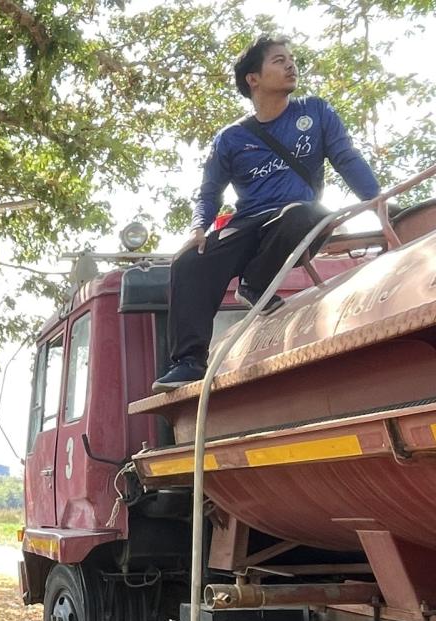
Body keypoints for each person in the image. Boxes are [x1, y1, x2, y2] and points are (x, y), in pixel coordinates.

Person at [152, 35, 381, 393]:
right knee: (188, 262)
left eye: (292, 59)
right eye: (278, 60)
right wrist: (199, 228)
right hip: (250, 224)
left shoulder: (316, 112)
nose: (291, 65)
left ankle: (256, 284)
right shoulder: (230, 138)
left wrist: (376, 201)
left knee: (306, 212)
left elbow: (346, 158)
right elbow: (209, 192)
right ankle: (188, 361)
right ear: (253, 79)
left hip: (298, 221)